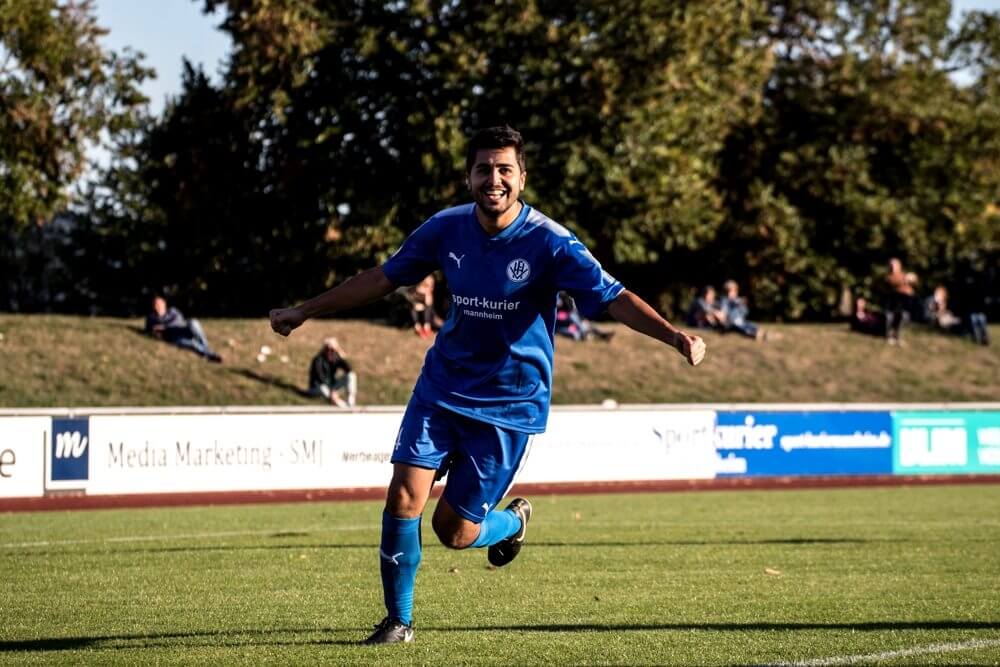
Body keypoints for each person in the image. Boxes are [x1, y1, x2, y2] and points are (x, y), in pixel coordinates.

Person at [269, 125, 705, 645]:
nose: (493, 179)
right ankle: (398, 622)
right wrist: (305, 310)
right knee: (405, 493)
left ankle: (510, 525)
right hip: (442, 388)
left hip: (509, 405)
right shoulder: (445, 229)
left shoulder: (551, 241)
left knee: (454, 532)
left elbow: (612, 296)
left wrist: (675, 336)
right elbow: (383, 277)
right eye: (483, 169)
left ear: (521, 178)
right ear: (469, 176)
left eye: (504, 170)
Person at [144, 295, 222, 362]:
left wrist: (165, 327)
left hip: (183, 330)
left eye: (159, 304)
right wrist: (154, 331)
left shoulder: (172, 311)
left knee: (193, 322)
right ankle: (210, 355)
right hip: (174, 337)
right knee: (193, 344)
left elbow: (179, 320)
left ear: (164, 304)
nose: (157, 306)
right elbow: (148, 329)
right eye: (155, 304)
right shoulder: (151, 317)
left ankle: (206, 347)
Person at [308, 337, 357, 407]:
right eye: (327, 349)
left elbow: (349, 370)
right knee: (323, 389)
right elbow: (320, 378)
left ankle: (351, 403)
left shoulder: (336, 358)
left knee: (351, 375)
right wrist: (332, 391)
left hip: (331, 385)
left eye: (332, 350)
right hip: (318, 386)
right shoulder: (318, 360)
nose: (330, 352)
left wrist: (341, 356)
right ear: (324, 349)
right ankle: (344, 407)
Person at [883, 258, 917, 346]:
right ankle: (890, 336)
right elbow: (894, 282)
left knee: (902, 318)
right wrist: (906, 281)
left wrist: (908, 282)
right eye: (892, 265)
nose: (893, 266)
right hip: (893, 301)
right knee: (890, 318)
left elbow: (913, 285)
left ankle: (898, 337)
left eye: (895, 264)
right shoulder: (889, 276)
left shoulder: (903, 275)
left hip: (903, 301)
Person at [407, 274, 437, 338]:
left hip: (426, 311)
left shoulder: (428, 291)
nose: (432, 285)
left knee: (429, 308)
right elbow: (409, 297)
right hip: (413, 307)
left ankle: (427, 328)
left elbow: (429, 304)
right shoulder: (415, 289)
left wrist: (428, 294)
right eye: (430, 283)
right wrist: (415, 304)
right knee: (413, 309)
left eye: (432, 283)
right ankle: (418, 328)